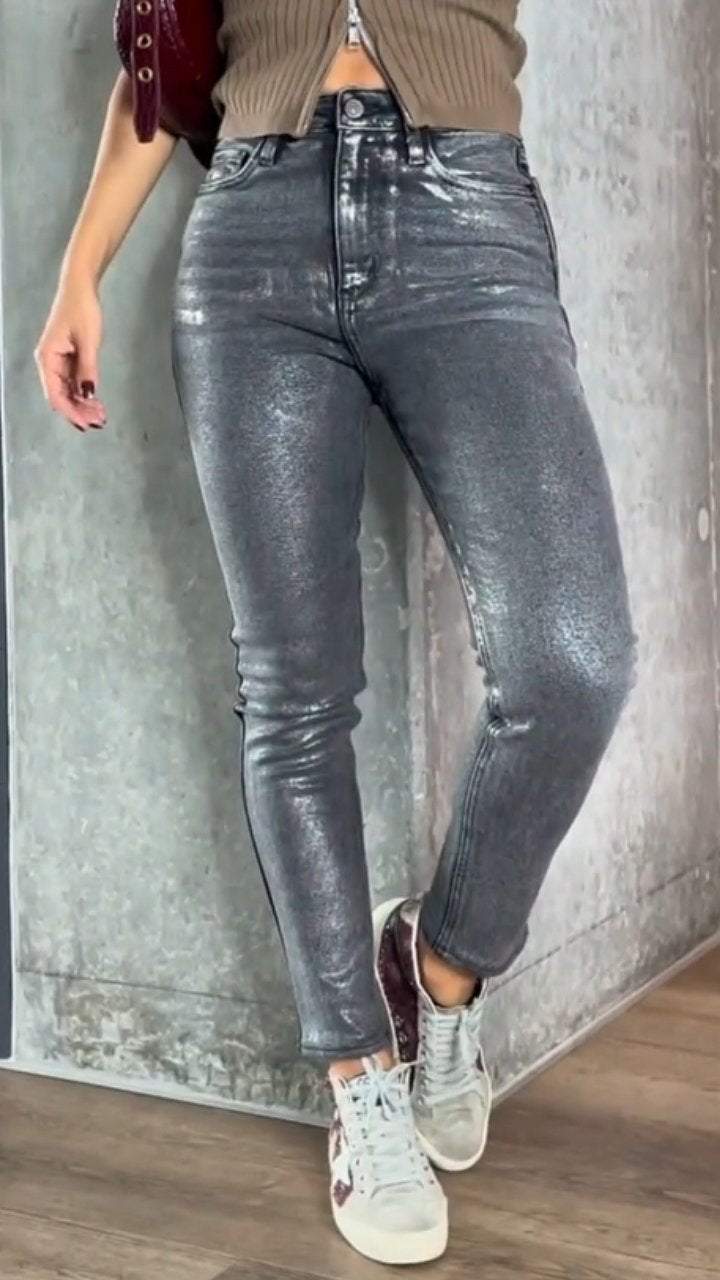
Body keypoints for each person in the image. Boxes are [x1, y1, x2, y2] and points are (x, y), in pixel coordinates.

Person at [34, 1, 639, 1266]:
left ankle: (440, 968)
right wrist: (81, 267)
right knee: (292, 693)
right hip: (252, 232)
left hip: (468, 219)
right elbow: (159, 59)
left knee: (572, 661)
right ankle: (361, 1080)